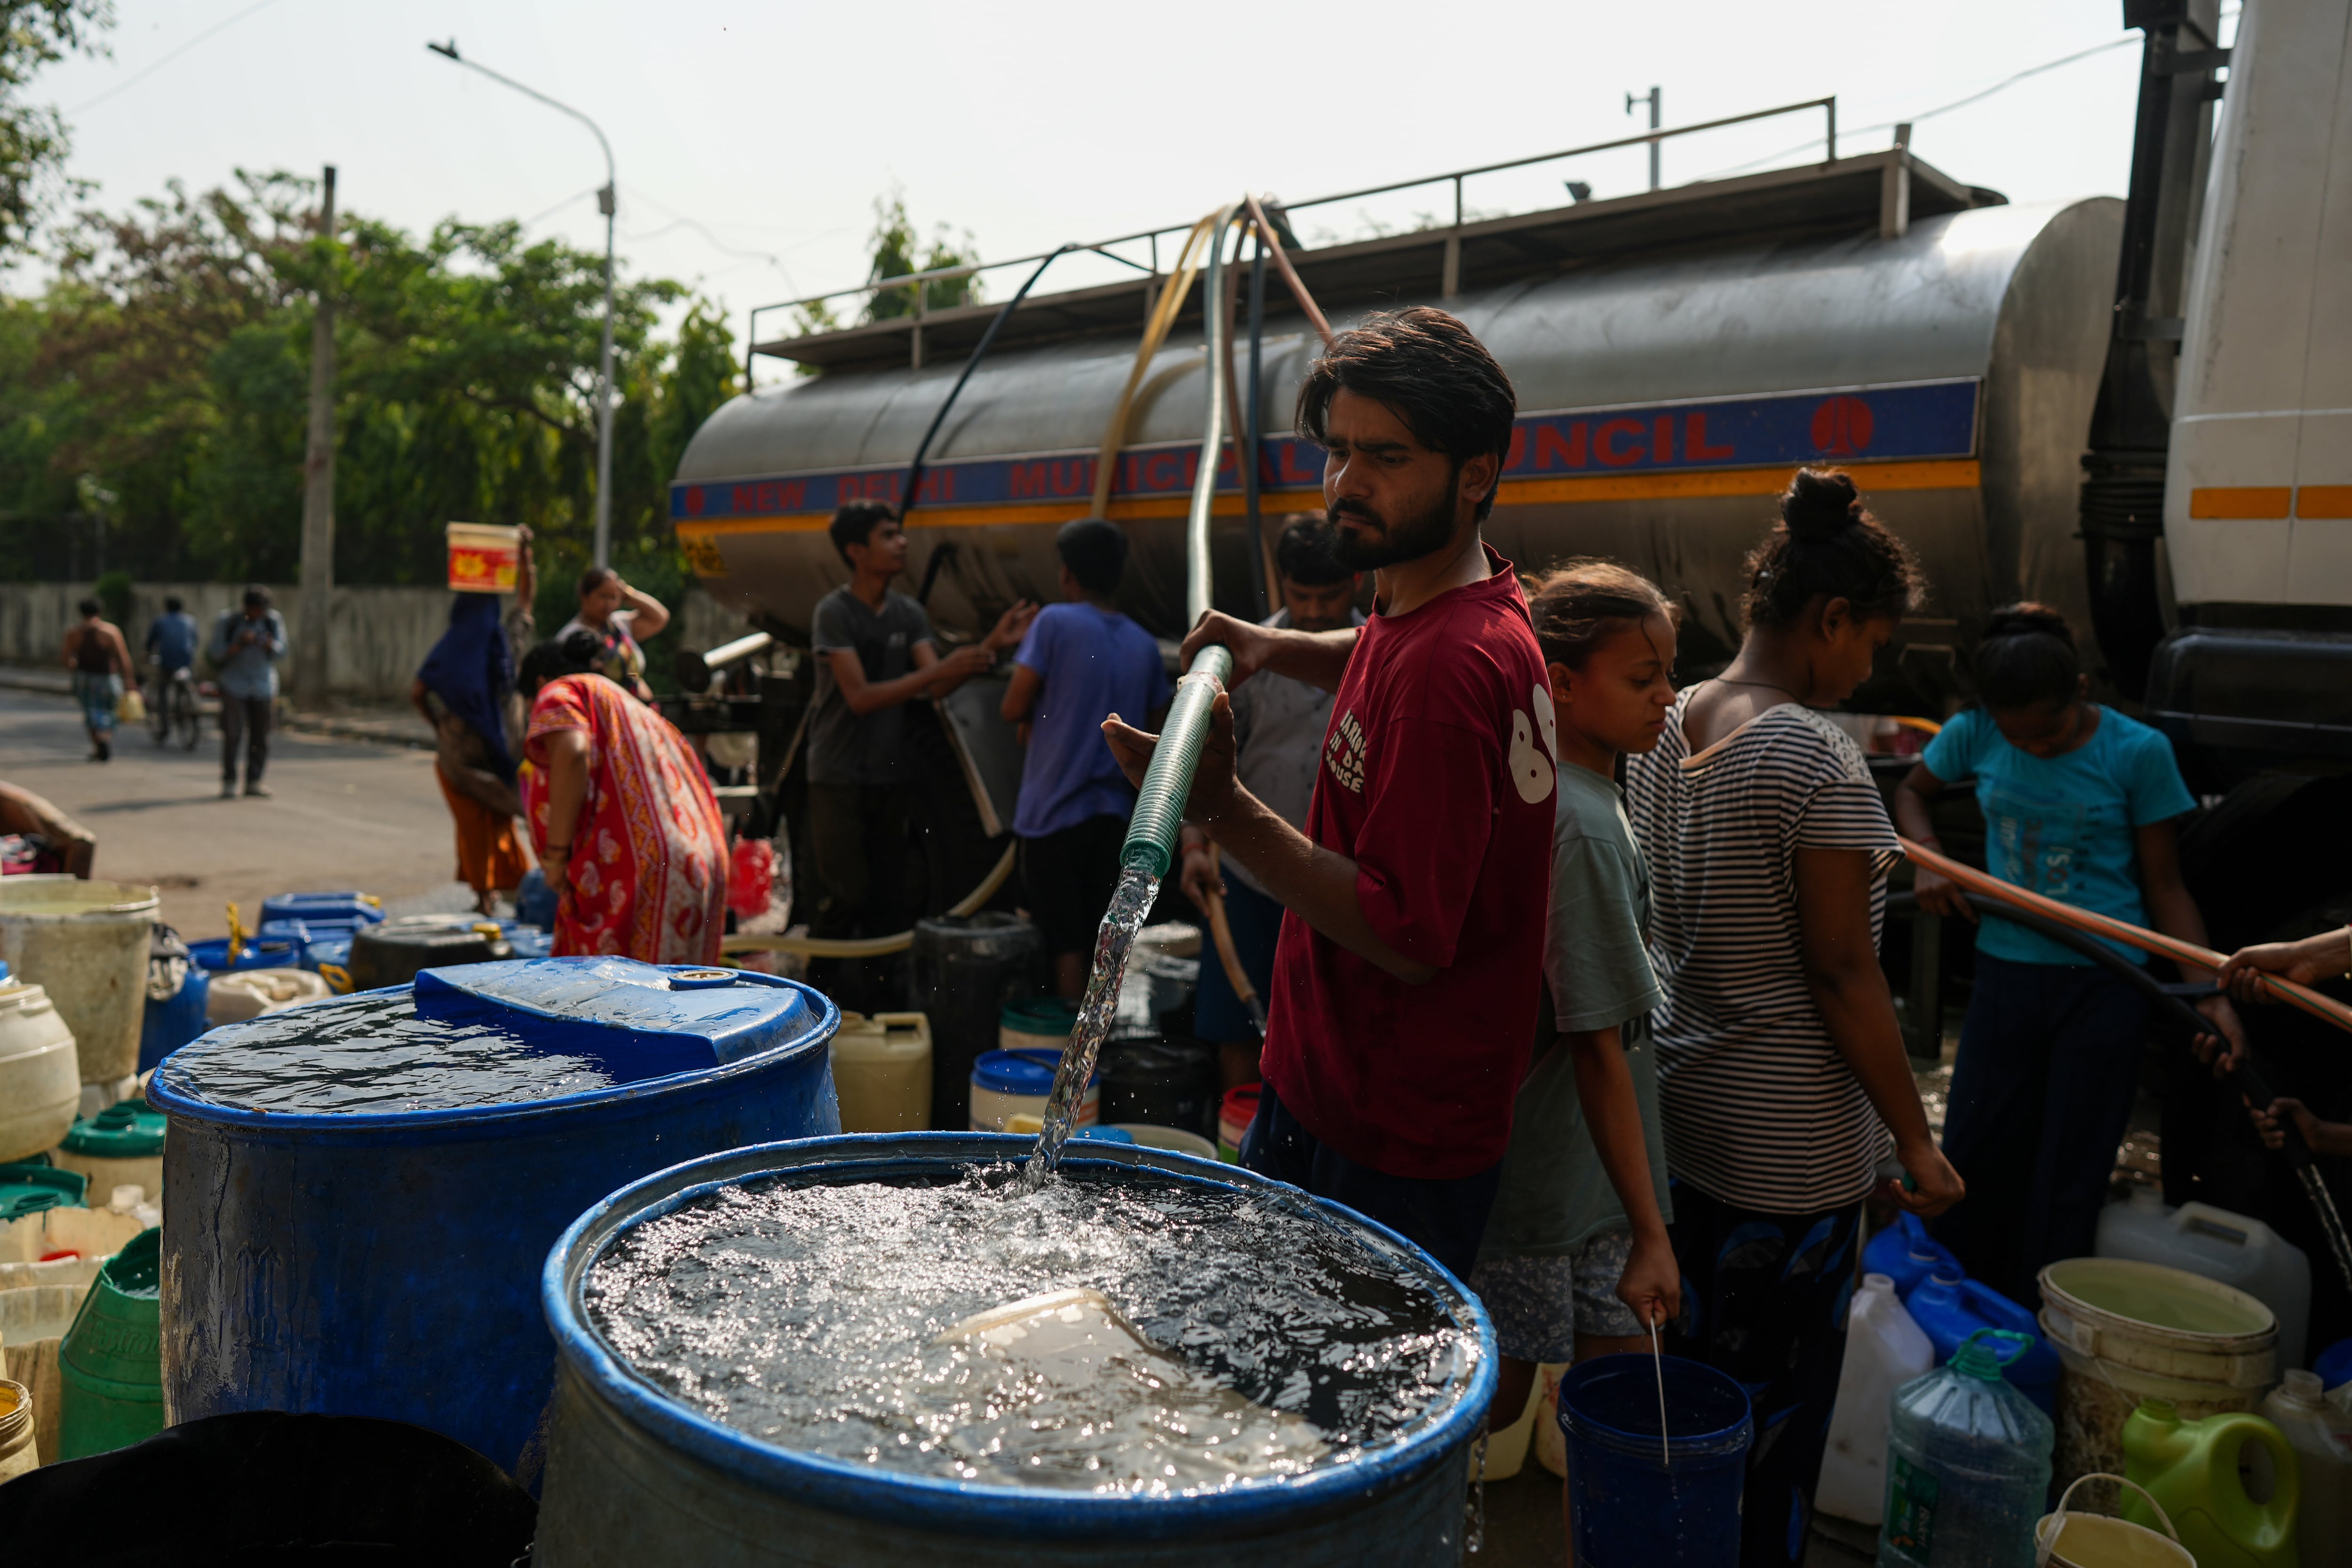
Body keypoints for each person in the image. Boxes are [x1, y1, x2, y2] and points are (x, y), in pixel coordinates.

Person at [1105, 305, 1555, 1283]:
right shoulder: (1442, 598)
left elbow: (1406, 932)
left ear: (1476, 472)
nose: (1347, 483)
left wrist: (1218, 807)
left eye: (1386, 457)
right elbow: (1379, 650)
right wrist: (1277, 647)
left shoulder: (1451, 667)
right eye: (1338, 451)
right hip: (1337, 1085)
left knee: (1324, 1413)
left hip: (1388, 1131)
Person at [1624, 467, 1962, 1567]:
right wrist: (1911, 1138)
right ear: (1829, 620)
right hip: (1787, 1152)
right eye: (1871, 643)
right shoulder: (1815, 755)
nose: (1870, 667)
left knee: (1689, 1401)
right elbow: (1842, 971)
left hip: (1686, 1115)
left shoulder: (1665, 723)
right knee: (1770, 1427)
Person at [1899, 604, 2247, 1306]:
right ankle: (1958, 1310)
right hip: (2006, 975)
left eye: (2050, 733)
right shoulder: (1974, 733)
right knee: (1974, 1149)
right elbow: (1911, 792)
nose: (2036, 749)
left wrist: (2210, 992)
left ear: (2082, 690)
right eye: (2018, 738)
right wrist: (1927, 856)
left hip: (2103, 985)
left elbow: (2167, 888)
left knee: (2071, 1168)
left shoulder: (2137, 751)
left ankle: (2045, 1319)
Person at [1467, 562, 1684, 1504]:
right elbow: (1596, 1041)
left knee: (1603, 1388)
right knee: (1501, 1384)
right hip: (1555, 1178)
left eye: (1668, 675)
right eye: (1643, 681)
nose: (1667, 700)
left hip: (1592, 1169)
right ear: (1557, 682)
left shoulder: (1574, 796)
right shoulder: (1582, 824)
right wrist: (1652, 1230)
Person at [1177, 513, 1362, 1088]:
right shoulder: (1244, 658)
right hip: (1247, 880)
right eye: (1299, 595)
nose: (1310, 612)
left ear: (1357, 582)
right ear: (1280, 583)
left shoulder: (1377, 659)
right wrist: (1194, 849)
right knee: (1237, 1029)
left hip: (1337, 884)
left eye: (1326, 596)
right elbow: (1203, 760)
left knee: (1333, 1038)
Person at [807, 500, 1033, 945]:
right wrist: (938, 671)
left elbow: (936, 686)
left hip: (888, 777)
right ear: (856, 551)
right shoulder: (834, 613)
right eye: (889, 536)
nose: (902, 543)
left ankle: (878, 999)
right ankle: (819, 992)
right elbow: (860, 697)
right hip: (837, 776)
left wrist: (990, 647)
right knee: (846, 894)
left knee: (892, 897)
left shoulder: (908, 613)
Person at [1003, 516, 1168, 998]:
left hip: (1053, 814)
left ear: (1065, 574)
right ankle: (1101, 1044)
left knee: (1064, 940)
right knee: (1104, 936)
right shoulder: (1142, 642)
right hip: (1115, 815)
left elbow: (1012, 705)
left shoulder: (1053, 621)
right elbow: (1154, 729)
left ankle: (1065, 1052)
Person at [516, 633, 728, 962]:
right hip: (702, 859)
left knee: (621, 1004)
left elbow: (572, 754)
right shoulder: (623, 702)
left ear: (539, 683)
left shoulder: (559, 691)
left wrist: (555, 858)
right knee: (681, 1004)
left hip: (647, 870)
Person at [412, 595, 531, 916]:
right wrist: (525, 559)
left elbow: (418, 693)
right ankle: (517, 891)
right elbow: (524, 607)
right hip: (502, 755)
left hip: (458, 757)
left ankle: (485, 895)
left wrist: (437, 722)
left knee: (473, 828)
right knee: (501, 821)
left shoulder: (450, 650)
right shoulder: (503, 646)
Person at [210, 586, 286, 799]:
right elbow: (215, 653)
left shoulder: (272, 621)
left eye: (260, 612)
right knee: (233, 735)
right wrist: (237, 645)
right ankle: (229, 780)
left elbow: (282, 650)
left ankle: (254, 781)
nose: (256, 616)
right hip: (235, 684)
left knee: (261, 736)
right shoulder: (229, 621)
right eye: (252, 611)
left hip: (263, 685)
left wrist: (268, 644)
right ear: (245, 607)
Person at [558, 567, 669, 701]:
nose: (609, 604)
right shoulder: (572, 636)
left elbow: (660, 617)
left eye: (614, 597)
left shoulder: (619, 625)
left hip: (640, 710)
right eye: (603, 596)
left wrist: (628, 593)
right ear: (584, 595)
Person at [61, 598, 132, 762]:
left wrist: (75, 666)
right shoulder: (110, 632)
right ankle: (105, 736)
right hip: (108, 679)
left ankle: (98, 743)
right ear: (100, 612)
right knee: (111, 712)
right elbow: (123, 658)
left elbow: (66, 659)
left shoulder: (74, 633)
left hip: (84, 679)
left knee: (91, 713)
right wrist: (129, 680)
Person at [146, 595, 198, 679]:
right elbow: (195, 641)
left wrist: (147, 652)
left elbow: (151, 640)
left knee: (163, 680)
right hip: (186, 657)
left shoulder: (160, 621)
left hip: (167, 658)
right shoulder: (190, 621)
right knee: (185, 680)